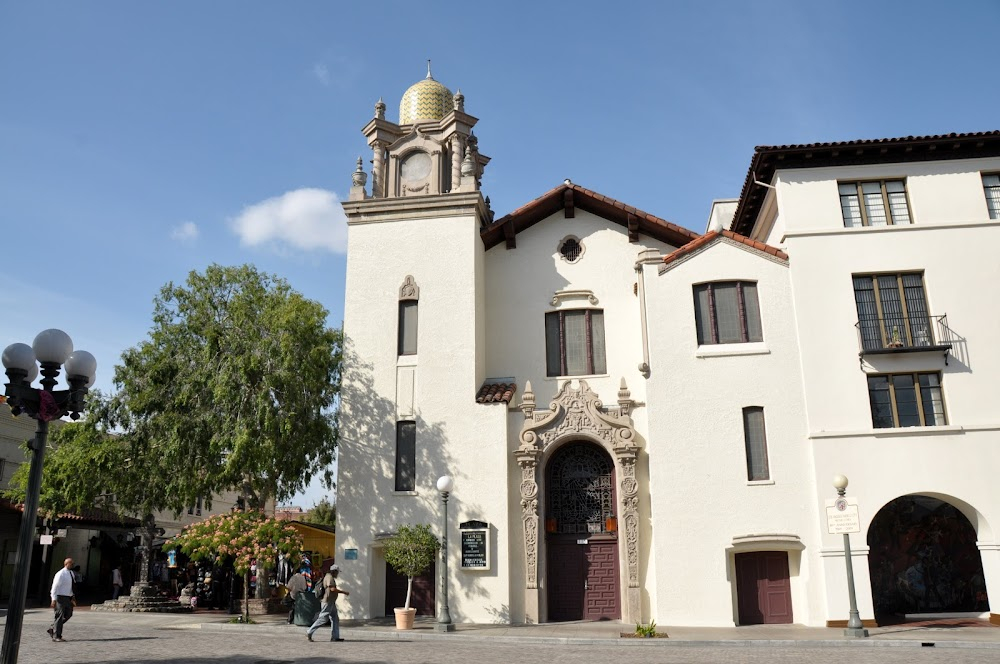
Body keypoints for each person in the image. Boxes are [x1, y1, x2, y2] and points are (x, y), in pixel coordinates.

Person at [306, 565, 349, 642]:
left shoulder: (329, 577)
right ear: (334, 571)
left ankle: (335, 637)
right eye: (337, 572)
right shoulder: (329, 577)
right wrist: (343, 592)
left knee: (335, 618)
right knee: (323, 618)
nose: (337, 574)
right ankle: (309, 632)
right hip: (327, 602)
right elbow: (332, 589)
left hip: (331, 601)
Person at [48, 558, 76, 642]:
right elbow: (55, 587)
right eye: (71, 563)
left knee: (69, 614)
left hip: (68, 597)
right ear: (66, 564)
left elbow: (71, 586)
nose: (72, 565)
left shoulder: (71, 573)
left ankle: (53, 627)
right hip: (59, 597)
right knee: (59, 616)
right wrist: (53, 599)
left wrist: (73, 597)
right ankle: (57, 636)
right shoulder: (60, 574)